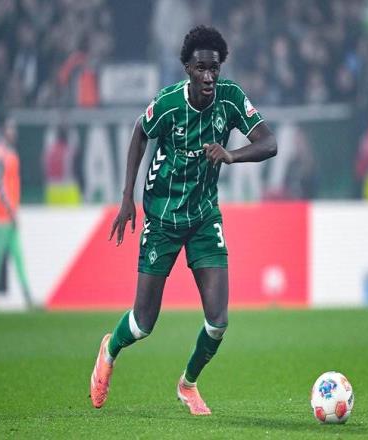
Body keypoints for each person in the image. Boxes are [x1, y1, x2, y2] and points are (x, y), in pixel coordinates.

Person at [90, 25, 277, 415]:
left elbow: (269, 143)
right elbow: (140, 132)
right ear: (187, 69)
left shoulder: (231, 98)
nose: (209, 76)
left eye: (214, 68)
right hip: (162, 217)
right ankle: (110, 349)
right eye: (201, 68)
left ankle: (187, 384)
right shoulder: (169, 103)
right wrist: (127, 197)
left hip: (204, 216)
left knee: (218, 322)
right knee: (143, 323)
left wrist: (231, 155)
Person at [0, 118, 33, 310]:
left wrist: (13, 211)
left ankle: (28, 298)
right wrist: (10, 210)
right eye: (10, 129)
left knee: (18, 257)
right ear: (4, 130)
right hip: (1, 217)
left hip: (9, 215)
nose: (13, 132)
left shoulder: (10, 153)